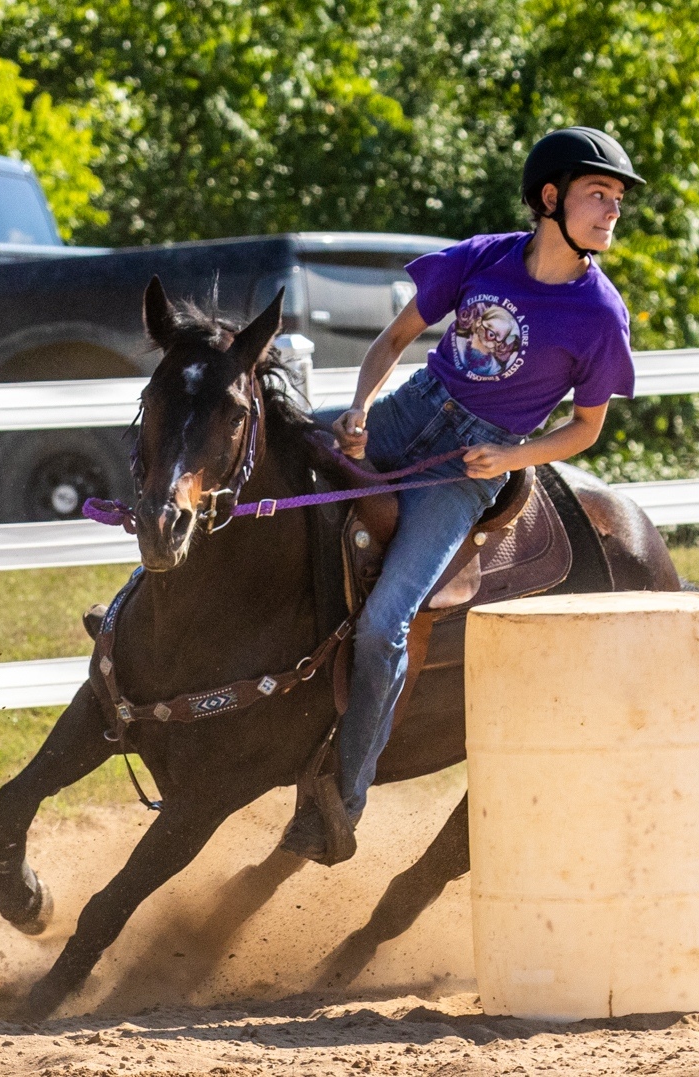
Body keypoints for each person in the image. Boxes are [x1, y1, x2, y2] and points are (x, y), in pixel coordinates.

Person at [281, 126, 645, 862]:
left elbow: (585, 429)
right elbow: (392, 342)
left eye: (617, 198)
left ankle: (342, 798)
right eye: (598, 194)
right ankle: (138, 606)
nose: (613, 210)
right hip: (407, 410)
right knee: (268, 449)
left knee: (386, 623)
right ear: (551, 197)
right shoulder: (482, 257)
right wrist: (358, 411)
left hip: (465, 471)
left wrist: (512, 457)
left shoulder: (601, 315)